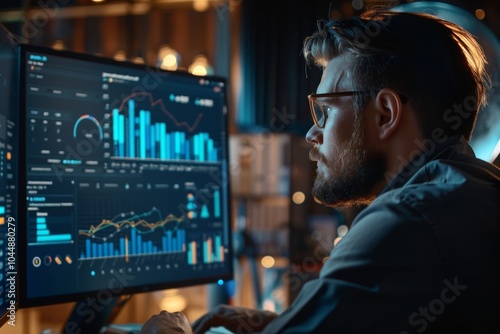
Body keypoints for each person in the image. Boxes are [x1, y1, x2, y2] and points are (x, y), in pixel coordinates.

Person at [140, 7, 500, 334]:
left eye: (325, 110)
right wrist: (279, 325)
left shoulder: (405, 221)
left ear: (385, 114)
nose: (313, 133)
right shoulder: (472, 193)